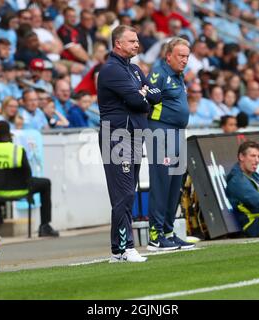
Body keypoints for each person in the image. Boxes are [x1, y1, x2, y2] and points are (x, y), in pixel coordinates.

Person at [97, 25, 161, 263]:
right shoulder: (111, 70)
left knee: (127, 194)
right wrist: (142, 95)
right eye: (132, 41)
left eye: (137, 40)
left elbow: (155, 95)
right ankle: (126, 248)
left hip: (133, 134)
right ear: (118, 44)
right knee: (123, 194)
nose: (137, 44)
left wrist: (143, 94)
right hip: (117, 135)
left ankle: (117, 250)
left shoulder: (133, 69)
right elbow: (137, 99)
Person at [146, 37, 194, 251]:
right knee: (161, 181)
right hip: (160, 131)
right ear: (168, 56)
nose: (184, 60)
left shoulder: (178, 76)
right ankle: (155, 235)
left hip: (177, 133)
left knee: (176, 182)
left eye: (187, 56)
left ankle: (168, 231)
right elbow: (145, 98)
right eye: (180, 56)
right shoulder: (159, 73)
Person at [0, 120, 59, 237]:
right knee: (46, 183)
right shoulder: (18, 150)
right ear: (10, 134)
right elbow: (28, 174)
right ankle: (45, 226)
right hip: (21, 190)